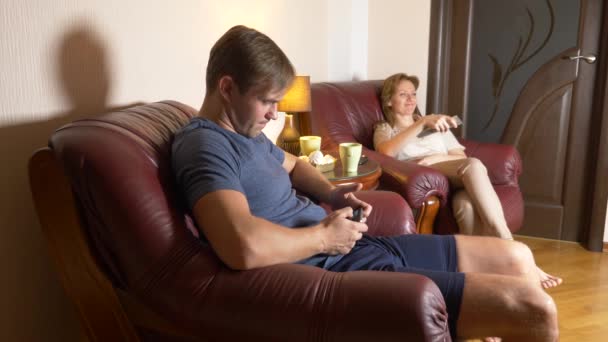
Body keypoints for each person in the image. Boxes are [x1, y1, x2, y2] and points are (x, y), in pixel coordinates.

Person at [172, 25, 558, 341]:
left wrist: (331, 192)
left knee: (517, 258)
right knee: (534, 308)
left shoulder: (246, 135)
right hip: (333, 270)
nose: (275, 114)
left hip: (355, 248)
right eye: (267, 101)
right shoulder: (206, 145)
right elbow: (242, 245)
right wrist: (325, 238)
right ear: (226, 88)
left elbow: (292, 165)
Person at [374, 73, 562, 290]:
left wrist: (435, 156)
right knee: (472, 172)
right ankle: (516, 253)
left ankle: (479, 275)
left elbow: (459, 158)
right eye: (403, 94)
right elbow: (385, 152)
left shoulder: (437, 124)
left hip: (451, 172)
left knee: (466, 203)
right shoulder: (385, 128)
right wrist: (423, 121)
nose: (410, 99)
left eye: (413, 94)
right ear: (389, 100)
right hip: (425, 177)